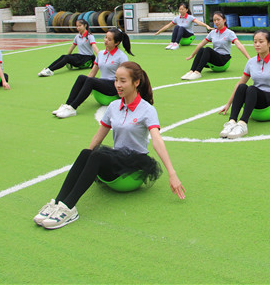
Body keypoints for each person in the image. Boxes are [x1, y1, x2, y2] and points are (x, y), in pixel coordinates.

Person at [34, 62, 185, 230]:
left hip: (135, 164)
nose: (118, 85)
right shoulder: (113, 106)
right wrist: (86, 159)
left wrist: (172, 173)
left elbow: (157, 140)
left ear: (136, 83)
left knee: (98, 155)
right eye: (116, 80)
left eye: (123, 81)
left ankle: (69, 208)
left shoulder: (147, 110)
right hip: (117, 158)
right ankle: (57, 202)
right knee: (87, 152)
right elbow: (98, 137)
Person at [53, 28, 133, 118]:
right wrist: (85, 84)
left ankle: (73, 108)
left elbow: (125, 77)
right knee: (81, 78)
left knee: (91, 81)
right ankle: (67, 105)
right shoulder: (101, 54)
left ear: (116, 43)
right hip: (103, 84)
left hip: (114, 86)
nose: (106, 40)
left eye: (109, 39)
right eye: (106, 37)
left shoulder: (121, 57)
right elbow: (92, 73)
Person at [182, 11, 250, 80]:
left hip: (223, 60)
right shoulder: (213, 32)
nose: (216, 22)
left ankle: (197, 72)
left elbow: (239, 45)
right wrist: (192, 55)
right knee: (202, 49)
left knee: (207, 49)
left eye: (218, 20)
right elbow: (201, 44)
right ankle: (191, 71)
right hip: (215, 59)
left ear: (224, 20)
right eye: (214, 20)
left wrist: (249, 58)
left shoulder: (230, 33)